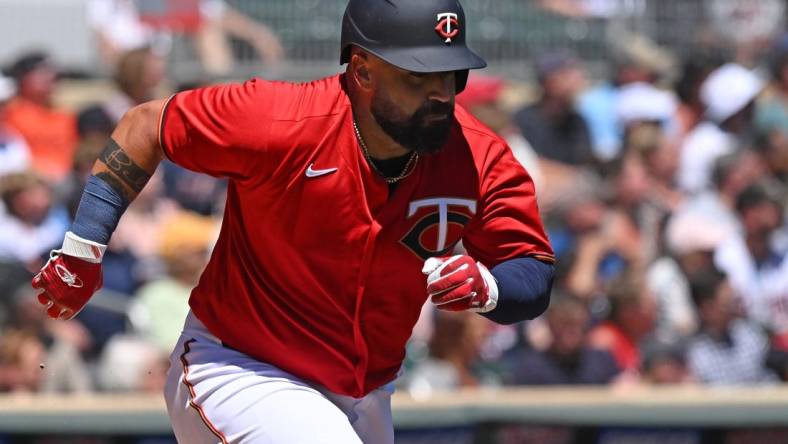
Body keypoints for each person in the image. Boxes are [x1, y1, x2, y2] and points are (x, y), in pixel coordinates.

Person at [30, 1, 555, 443]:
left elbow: (531, 268)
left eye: (451, 74)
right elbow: (148, 125)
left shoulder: (477, 156)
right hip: (241, 366)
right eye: (419, 76)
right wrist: (84, 243)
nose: (441, 93)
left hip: (366, 392)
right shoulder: (280, 119)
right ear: (363, 70)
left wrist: (490, 287)